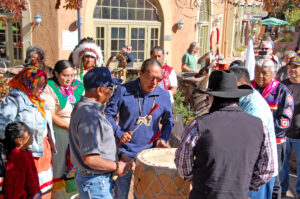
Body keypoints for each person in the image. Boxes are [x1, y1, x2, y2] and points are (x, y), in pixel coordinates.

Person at [175, 70, 274, 199]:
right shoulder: (259, 126)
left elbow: (183, 168)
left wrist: (198, 179)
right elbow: (266, 170)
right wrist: (244, 184)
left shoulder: (197, 126)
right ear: (236, 97)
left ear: (212, 97)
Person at [105, 58, 174, 199]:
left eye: (158, 79)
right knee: (120, 195)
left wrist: (163, 138)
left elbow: (168, 122)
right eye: (150, 78)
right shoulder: (124, 90)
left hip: (149, 156)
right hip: (125, 154)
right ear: (140, 73)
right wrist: (119, 133)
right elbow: (107, 115)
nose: (154, 83)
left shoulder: (164, 95)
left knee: (144, 195)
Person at [69, 67, 133, 199]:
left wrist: (117, 144)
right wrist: (116, 166)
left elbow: (97, 144)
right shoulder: (88, 114)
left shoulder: (89, 109)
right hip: (95, 182)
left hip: (96, 180)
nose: (112, 92)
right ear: (100, 90)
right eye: (111, 88)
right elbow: (90, 158)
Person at [0, 66, 56, 199]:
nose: (42, 88)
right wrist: (19, 145)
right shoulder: (12, 101)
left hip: (42, 151)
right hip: (25, 154)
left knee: (44, 189)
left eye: (44, 84)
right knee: (27, 189)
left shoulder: (40, 101)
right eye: (39, 84)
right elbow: (3, 128)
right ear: (28, 82)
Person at [230, 67, 278, 199]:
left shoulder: (256, 108)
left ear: (244, 85)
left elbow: (249, 144)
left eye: (231, 87)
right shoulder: (241, 100)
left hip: (258, 175)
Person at [251, 58, 294, 199]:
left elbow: (284, 122)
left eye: (264, 73)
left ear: (273, 73)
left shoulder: (282, 92)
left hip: (275, 142)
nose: (260, 76)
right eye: (257, 72)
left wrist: (261, 132)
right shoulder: (249, 89)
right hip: (251, 142)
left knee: (274, 178)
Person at [43, 60, 84, 198]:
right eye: (65, 75)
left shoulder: (78, 85)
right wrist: (70, 127)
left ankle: (75, 193)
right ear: (56, 73)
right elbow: (51, 115)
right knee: (59, 164)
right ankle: (59, 195)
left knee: (77, 162)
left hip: (78, 132)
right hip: (60, 132)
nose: (69, 79)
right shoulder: (49, 86)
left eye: (72, 75)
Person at [2, 122, 41, 199]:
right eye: (28, 132)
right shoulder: (16, 158)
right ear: (20, 141)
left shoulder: (26, 154)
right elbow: (15, 190)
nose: (31, 134)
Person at [280, 55, 300, 198]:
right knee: (282, 165)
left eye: (296, 66)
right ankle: (282, 189)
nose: (293, 69)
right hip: (284, 132)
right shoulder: (282, 85)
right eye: (291, 66)